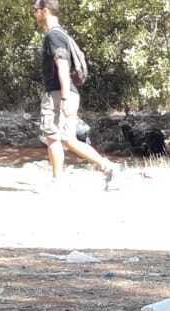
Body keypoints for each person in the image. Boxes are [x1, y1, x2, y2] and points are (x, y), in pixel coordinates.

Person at [33, 0, 116, 188]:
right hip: (67, 92)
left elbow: (62, 65)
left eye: (36, 10)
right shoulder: (61, 34)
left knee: (53, 137)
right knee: (68, 140)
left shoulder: (53, 36)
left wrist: (64, 97)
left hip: (58, 93)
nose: (34, 14)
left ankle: (57, 181)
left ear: (45, 11)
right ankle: (109, 168)